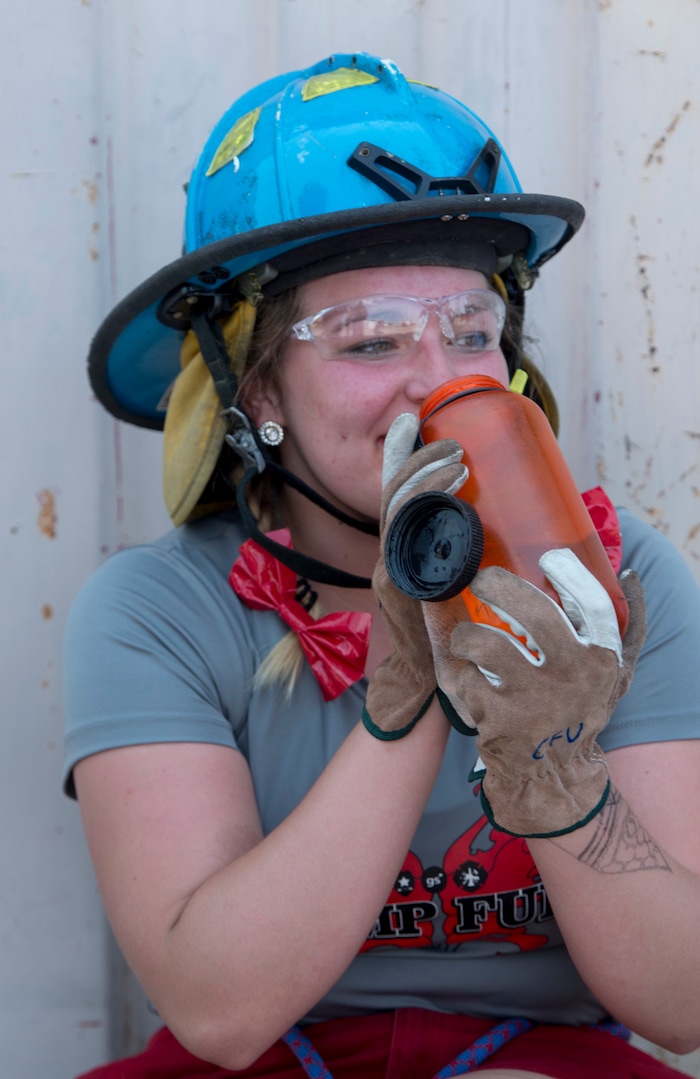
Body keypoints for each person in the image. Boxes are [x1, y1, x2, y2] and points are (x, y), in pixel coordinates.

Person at [63, 52, 700, 1079]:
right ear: (260, 394)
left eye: (469, 330)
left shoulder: (623, 583)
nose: (437, 383)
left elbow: (679, 1002)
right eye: (370, 342)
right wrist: (406, 695)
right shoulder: (156, 609)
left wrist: (557, 773)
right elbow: (220, 1015)